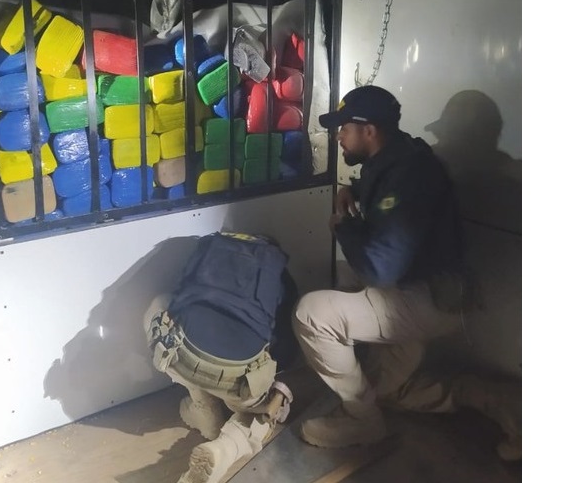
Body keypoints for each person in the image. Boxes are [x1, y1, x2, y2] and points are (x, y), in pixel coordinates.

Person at [292, 85, 521, 461]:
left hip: (428, 299)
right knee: (384, 391)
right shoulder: (397, 156)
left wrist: (344, 227)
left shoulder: (410, 174)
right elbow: (384, 188)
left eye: (344, 129)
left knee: (312, 314)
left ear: (369, 131)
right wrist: (354, 190)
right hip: (422, 290)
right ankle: (507, 405)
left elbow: (381, 268)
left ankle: (362, 421)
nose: (338, 137)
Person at [144, 231, 298, 483]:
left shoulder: (211, 247)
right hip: (238, 379)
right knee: (265, 410)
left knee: (161, 304)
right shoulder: (279, 276)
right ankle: (225, 449)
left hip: (184, 359)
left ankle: (205, 409)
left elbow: (180, 299)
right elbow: (286, 352)